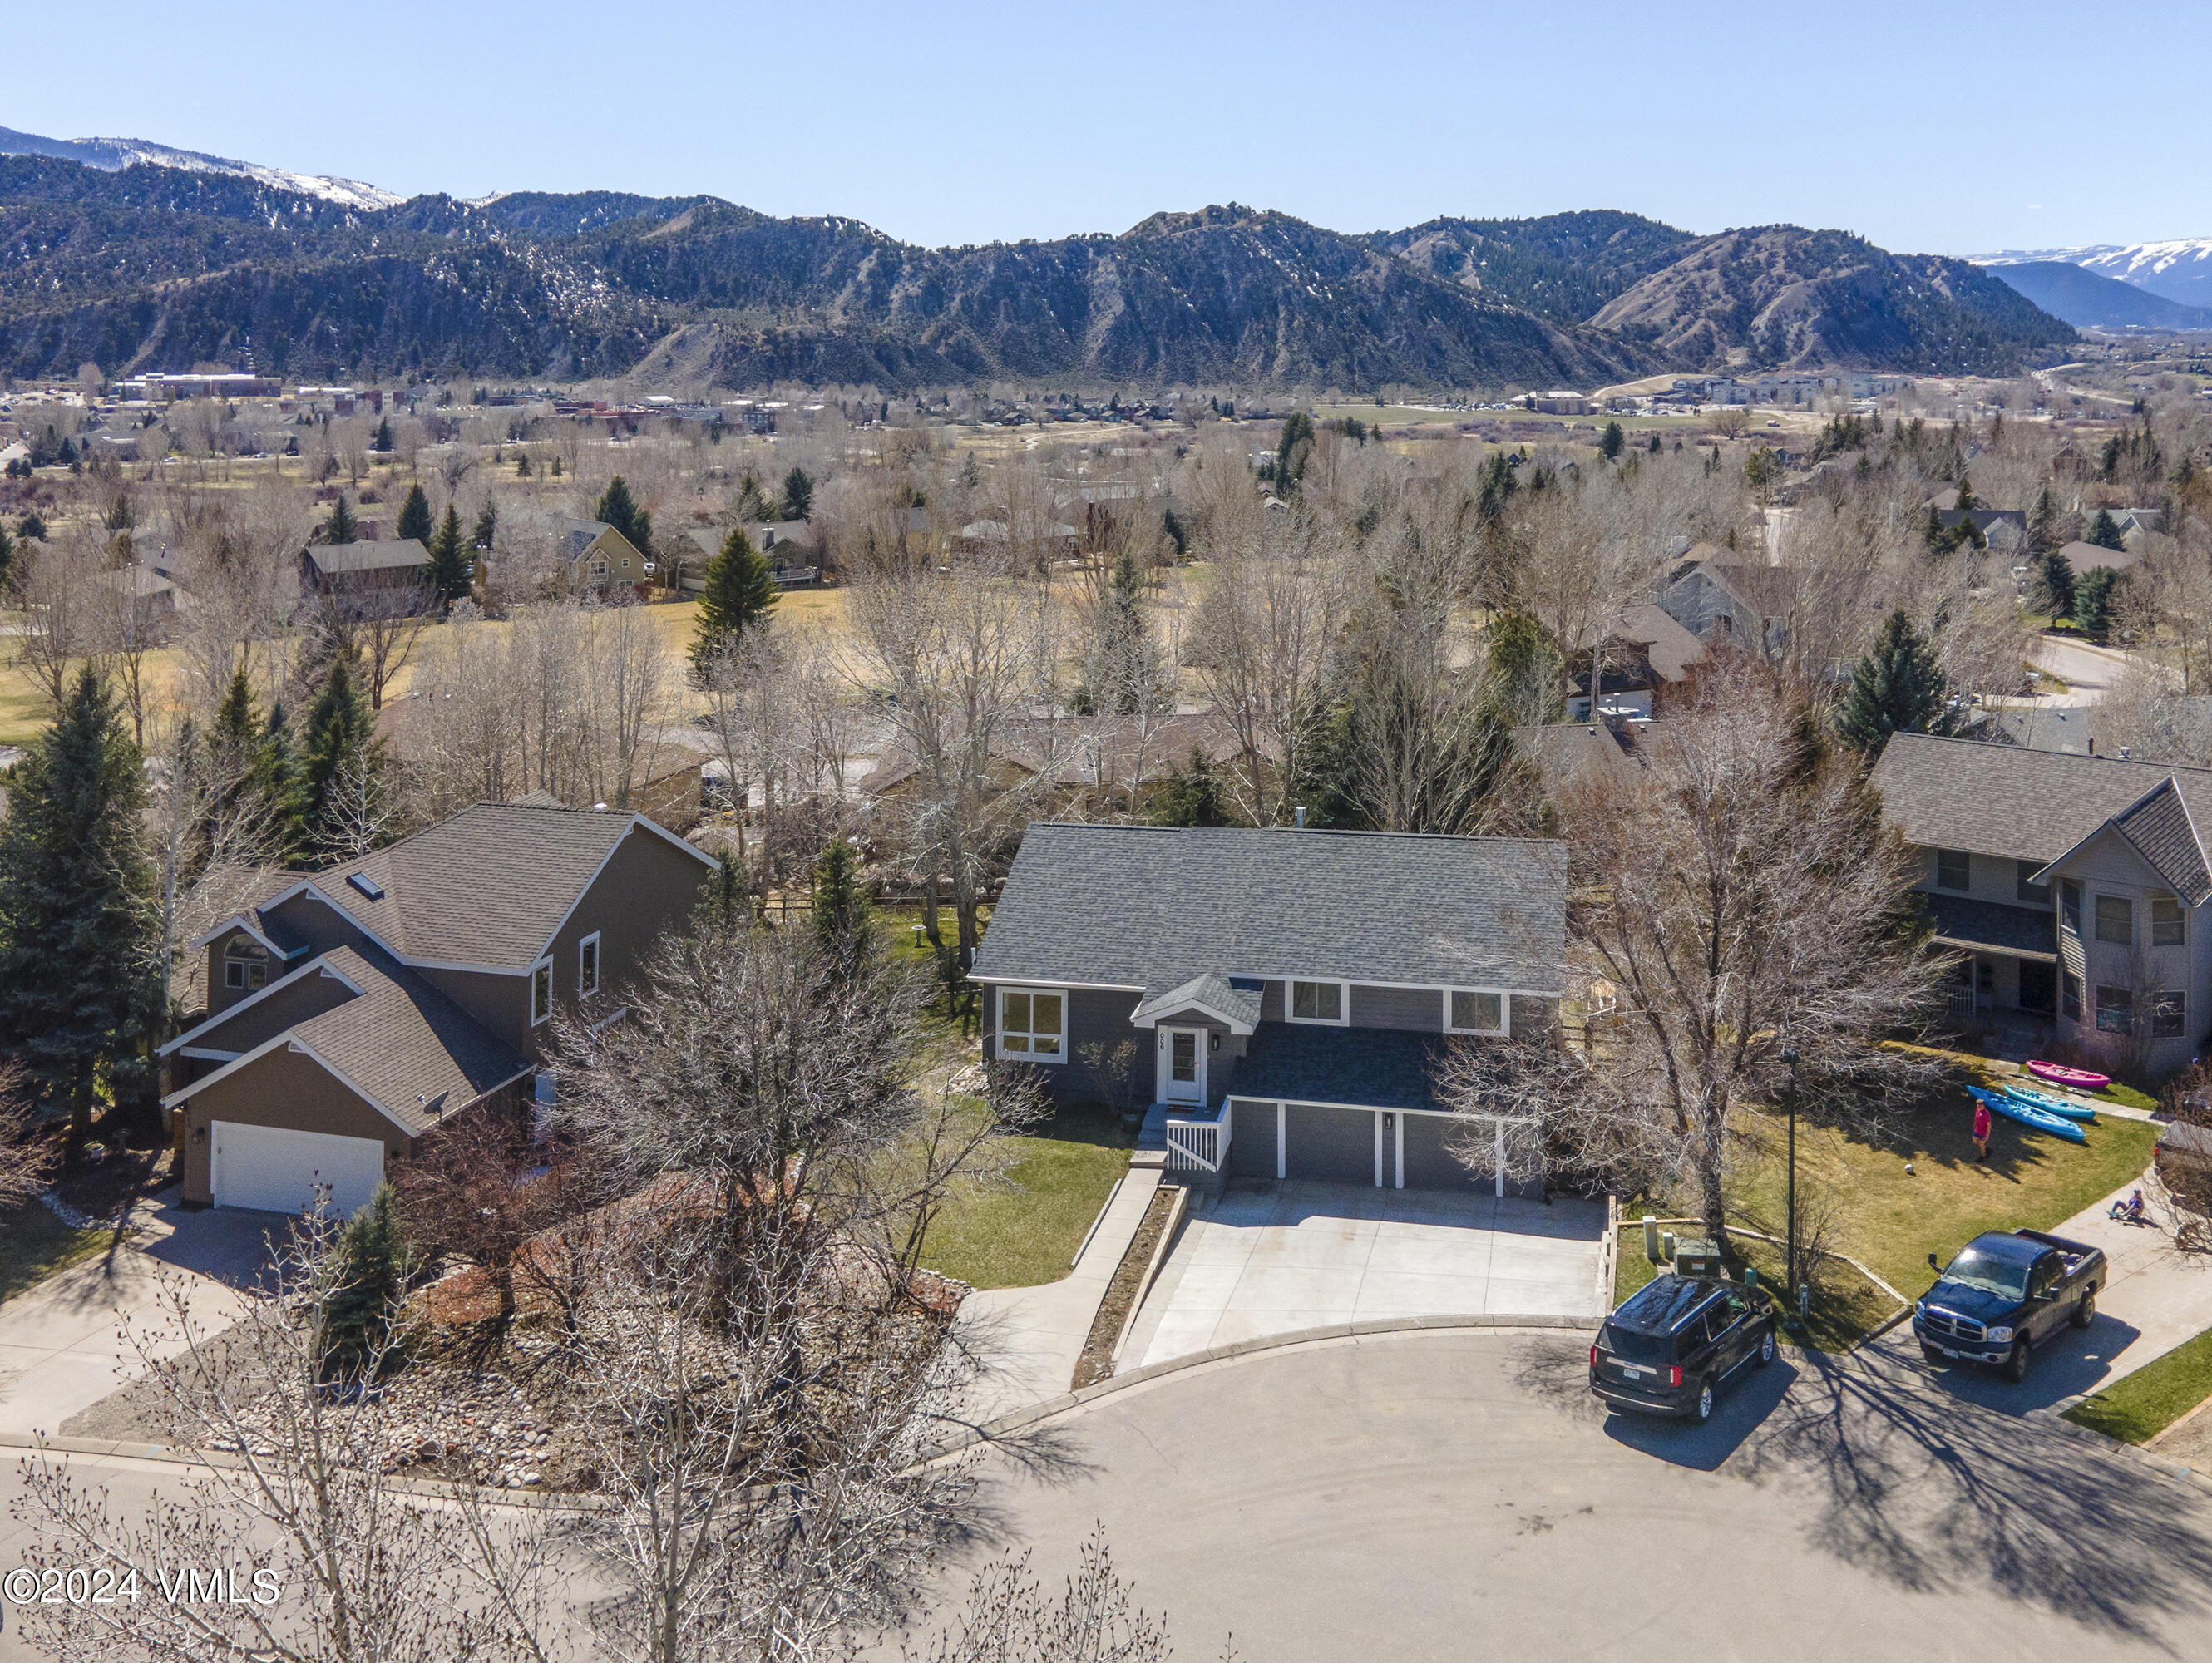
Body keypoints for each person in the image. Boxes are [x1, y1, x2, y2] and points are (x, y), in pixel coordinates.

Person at [1972, 1097, 1992, 1163]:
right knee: (1974, 1141)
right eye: (1978, 1105)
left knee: (1981, 1145)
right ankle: (1985, 1148)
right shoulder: (1977, 1110)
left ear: (1984, 1105)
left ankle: (1983, 1156)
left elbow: (1989, 1125)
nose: (1979, 1106)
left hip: (1983, 1133)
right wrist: (1974, 1125)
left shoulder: (1986, 1114)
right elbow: (1976, 1118)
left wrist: (1987, 1135)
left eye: (1980, 1105)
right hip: (1977, 1130)